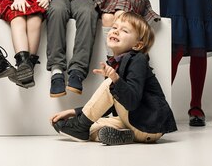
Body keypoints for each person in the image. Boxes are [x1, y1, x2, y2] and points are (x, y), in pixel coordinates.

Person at [50, 12, 177, 145]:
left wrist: (115, 79)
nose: (116, 32)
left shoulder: (138, 60)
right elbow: (107, 104)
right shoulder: (114, 63)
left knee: (110, 84)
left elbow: (132, 102)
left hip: (149, 123)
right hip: (135, 124)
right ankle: (124, 135)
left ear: (138, 45)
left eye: (124, 30)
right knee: (93, 126)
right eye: (114, 28)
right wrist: (74, 112)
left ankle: (80, 126)